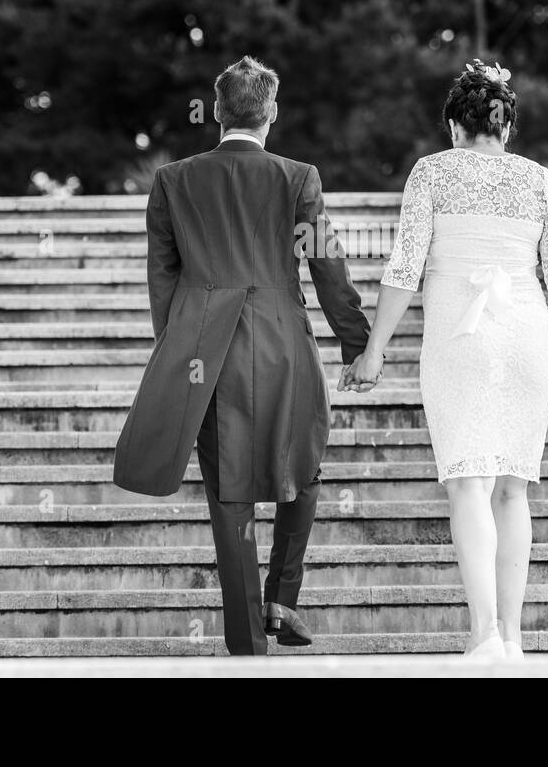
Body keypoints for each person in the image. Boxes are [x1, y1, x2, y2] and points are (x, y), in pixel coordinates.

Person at [113, 56, 371, 656]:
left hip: (206, 353)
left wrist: (176, 353)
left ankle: (247, 638)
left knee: (230, 493)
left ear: (219, 111)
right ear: (271, 113)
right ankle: (283, 597)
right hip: (284, 342)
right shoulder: (299, 177)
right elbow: (327, 265)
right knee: (302, 466)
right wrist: (357, 344)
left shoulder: (173, 181)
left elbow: (163, 281)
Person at [340, 59, 548, 660]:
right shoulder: (542, 181)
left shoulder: (431, 173)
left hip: (460, 339)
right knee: (513, 490)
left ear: (455, 125)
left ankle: (484, 637)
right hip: (529, 337)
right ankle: (516, 639)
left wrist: (375, 351)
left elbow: (404, 269)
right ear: (508, 128)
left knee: (468, 485)